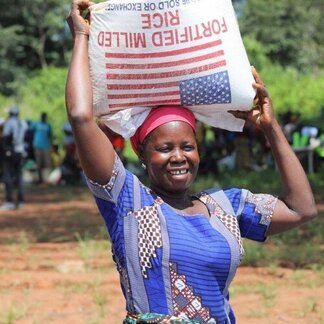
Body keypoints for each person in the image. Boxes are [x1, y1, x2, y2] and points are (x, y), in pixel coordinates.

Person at [65, 1, 317, 322]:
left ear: (198, 149)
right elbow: (80, 116)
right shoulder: (127, 200)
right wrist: (80, 37)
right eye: (165, 148)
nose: (178, 157)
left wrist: (270, 128)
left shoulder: (227, 207)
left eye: (187, 146)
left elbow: (302, 209)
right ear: (142, 154)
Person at [0, 106, 28, 210]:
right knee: (19, 176)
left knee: (7, 176)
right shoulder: (22, 123)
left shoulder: (9, 123)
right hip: (21, 151)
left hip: (11, 152)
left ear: (11, 113)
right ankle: (21, 201)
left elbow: (6, 136)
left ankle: (9, 201)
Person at [32, 112, 53, 183]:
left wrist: (51, 146)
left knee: (47, 163)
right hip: (37, 145)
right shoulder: (36, 124)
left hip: (46, 146)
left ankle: (47, 179)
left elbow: (50, 136)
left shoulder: (48, 125)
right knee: (39, 163)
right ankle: (40, 179)